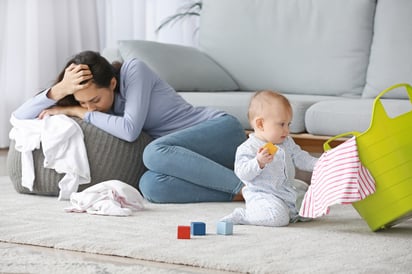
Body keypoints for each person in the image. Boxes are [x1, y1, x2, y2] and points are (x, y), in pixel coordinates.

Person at [12, 50, 246, 203]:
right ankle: (235, 193)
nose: (90, 108)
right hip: (183, 159)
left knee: (153, 153)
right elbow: (20, 118)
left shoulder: (134, 71)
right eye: (82, 102)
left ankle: (248, 189)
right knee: (150, 187)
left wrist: (76, 110)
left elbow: (129, 129)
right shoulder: (98, 109)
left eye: (95, 100)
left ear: (112, 83)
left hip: (219, 131)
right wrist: (59, 91)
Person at [221, 90, 318, 226]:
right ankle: (244, 216)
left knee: (315, 208)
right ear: (260, 124)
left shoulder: (286, 142)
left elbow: (301, 157)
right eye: (282, 124)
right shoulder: (248, 148)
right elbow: (242, 172)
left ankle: (291, 211)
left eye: (288, 124)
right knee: (277, 218)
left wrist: (320, 164)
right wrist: (258, 162)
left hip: (286, 191)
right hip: (263, 195)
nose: (287, 130)